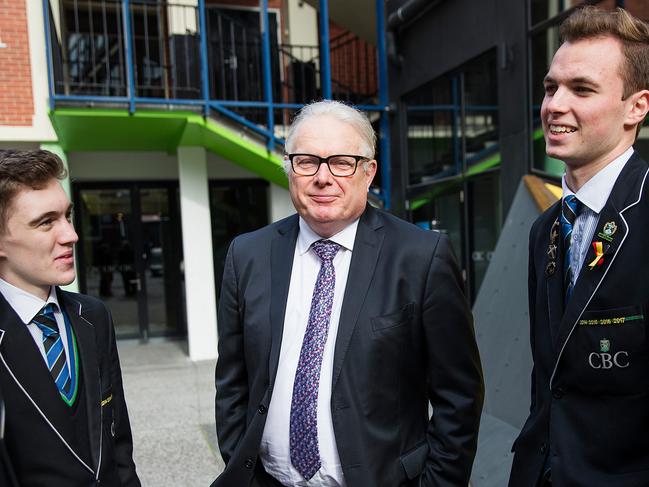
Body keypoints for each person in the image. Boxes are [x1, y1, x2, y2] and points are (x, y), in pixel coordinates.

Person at [212, 100, 484, 487]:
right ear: (289, 168)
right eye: (307, 161)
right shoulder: (248, 254)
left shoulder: (421, 257)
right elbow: (232, 383)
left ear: (368, 171)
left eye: (341, 161)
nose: (323, 177)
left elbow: (459, 397)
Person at [509, 6, 649, 487]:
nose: (554, 105)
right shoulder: (544, 228)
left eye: (582, 89)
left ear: (637, 106)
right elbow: (548, 378)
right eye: (551, 88)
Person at [0, 149, 140, 486]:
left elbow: (118, 442)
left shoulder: (93, 316)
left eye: (67, 216)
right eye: (46, 222)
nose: (71, 235)